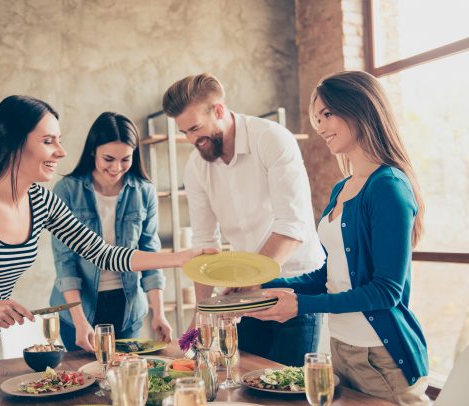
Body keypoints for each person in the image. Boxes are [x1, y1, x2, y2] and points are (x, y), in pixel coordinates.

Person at [0, 95, 211, 405]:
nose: (61, 151)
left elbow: (103, 253)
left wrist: (181, 258)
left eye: (59, 140)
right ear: (14, 143)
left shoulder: (40, 201)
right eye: (48, 141)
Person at [247, 71, 429, 405]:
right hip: (342, 348)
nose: (320, 127)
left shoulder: (388, 186)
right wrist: (265, 286)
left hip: (382, 358)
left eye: (327, 114)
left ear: (360, 108)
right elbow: (329, 275)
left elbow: (386, 291)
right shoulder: (342, 188)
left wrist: (301, 305)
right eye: (317, 118)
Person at [162, 73, 326, 367]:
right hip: (247, 291)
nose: (191, 140)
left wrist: (248, 284)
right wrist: (200, 317)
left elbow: (292, 227)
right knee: (244, 380)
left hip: (295, 285)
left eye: (196, 128)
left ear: (219, 110)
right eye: (184, 132)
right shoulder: (196, 166)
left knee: (288, 385)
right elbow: (205, 244)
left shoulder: (271, 139)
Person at [50, 111, 172, 352]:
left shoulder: (144, 191)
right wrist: (79, 321)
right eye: (108, 158)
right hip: (79, 306)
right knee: (82, 375)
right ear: (93, 151)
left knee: (125, 373)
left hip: (128, 308)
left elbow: (150, 253)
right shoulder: (67, 190)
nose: (117, 167)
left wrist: (159, 312)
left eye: (125, 159)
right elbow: (65, 261)